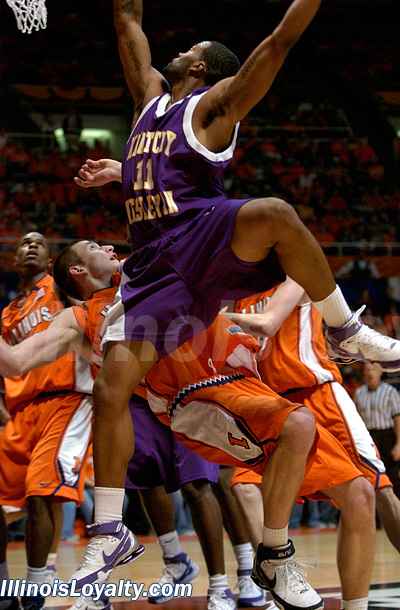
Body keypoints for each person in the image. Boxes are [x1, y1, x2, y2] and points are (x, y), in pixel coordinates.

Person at [0, 239, 375, 610]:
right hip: (197, 399)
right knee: (293, 426)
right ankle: (270, 556)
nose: (110, 248)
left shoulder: (145, 269)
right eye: (95, 247)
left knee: (360, 495)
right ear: (78, 271)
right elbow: (16, 362)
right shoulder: (81, 318)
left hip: (251, 387)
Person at [225, 279, 400, 555]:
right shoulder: (240, 293)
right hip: (272, 404)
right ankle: (277, 575)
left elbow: (266, 323)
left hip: (317, 393)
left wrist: (210, 317)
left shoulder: (295, 275)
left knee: (378, 489)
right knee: (244, 486)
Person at [0, 233, 94, 610]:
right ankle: (5, 583)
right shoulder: (7, 315)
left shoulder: (57, 285)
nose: (32, 246)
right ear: (13, 260)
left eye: (39, 242)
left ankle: (39, 582)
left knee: (44, 492)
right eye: (24, 243)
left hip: (64, 395)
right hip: (20, 411)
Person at [354, 363, 400, 500]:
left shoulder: (390, 391)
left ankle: (396, 517)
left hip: (387, 436)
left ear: (380, 372)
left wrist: (399, 444)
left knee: (392, 477)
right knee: (371, 476)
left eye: (374, 369)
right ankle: (376, 518)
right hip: (368, 437)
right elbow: (356, 420)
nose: (370, 373)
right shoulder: (359, 392)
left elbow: (398, 419)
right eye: (367, 369)